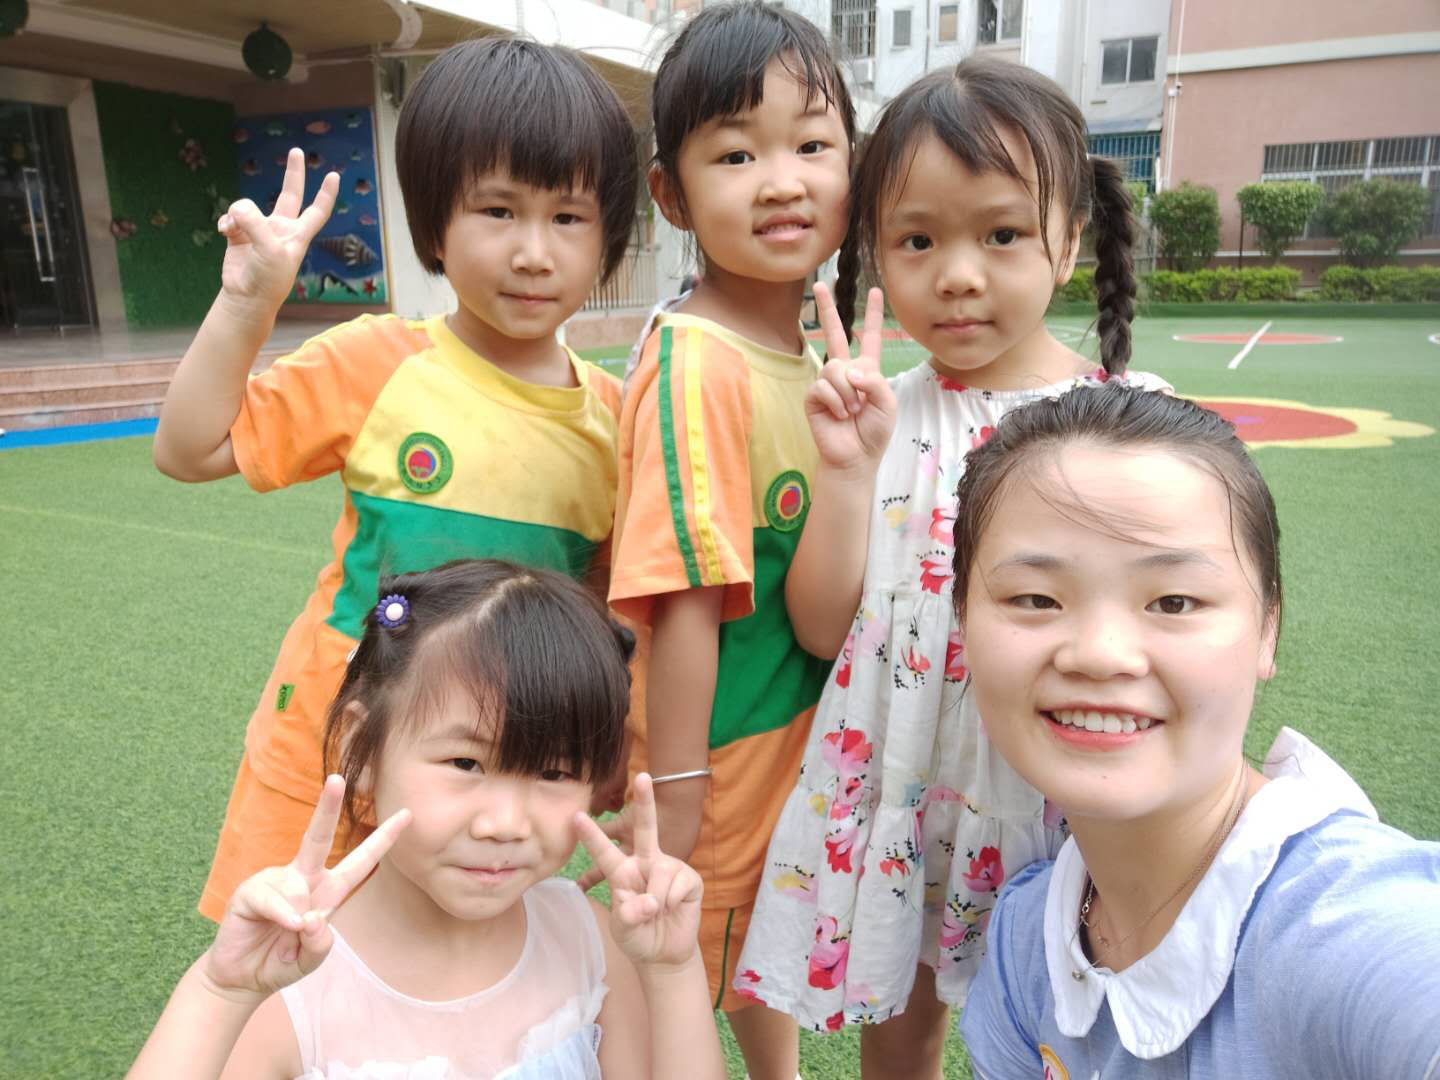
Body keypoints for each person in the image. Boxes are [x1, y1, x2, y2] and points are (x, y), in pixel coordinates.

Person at [736, 58, 1170, 1076]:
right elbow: (822, 627)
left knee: (1077, 1029)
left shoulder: (1133, 421)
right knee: (905, 1027)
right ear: (876, 251)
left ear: (1070, 239)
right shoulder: (879, 417)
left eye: (1002, 234)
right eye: (918, 240)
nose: (958, 275)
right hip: (912, 786)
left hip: (1066, 791)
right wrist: (848, 472)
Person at [150, 38, 641, 921]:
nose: (534, 252)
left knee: (448, 972)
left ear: (609, 235)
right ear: (433, 225)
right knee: (282, 956)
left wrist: (611, 747)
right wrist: (248, 302)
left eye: (569, 217)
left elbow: (607, 611)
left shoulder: (615, 420)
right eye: (498, 209)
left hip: (498, 768)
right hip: (331, 746)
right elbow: (189, 449)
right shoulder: (376, 362)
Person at [953, 385, 1440, 1076]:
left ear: (1268, 627)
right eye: (1036, 598)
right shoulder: (1027, 936)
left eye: (1174, 601)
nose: (1100, 654)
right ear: (962, 622)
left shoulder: (1354, 931)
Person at [128, 559, 725, 1079]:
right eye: (465, 762)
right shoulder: (291, 990)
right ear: (364, 750)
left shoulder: (589, 940)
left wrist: (673, 972)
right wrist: (221, 991)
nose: (505, 823)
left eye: (554, 772)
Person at [603, 3, 854, 1075]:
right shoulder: (701, 362)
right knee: (665, 991)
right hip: (714, 756)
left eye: (813, 145)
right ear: (673, 194)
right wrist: (676, 796)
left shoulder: (806, 353)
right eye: (737, 154)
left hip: (783, 741)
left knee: (757, 956)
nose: (782, 181)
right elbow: (684, 600)